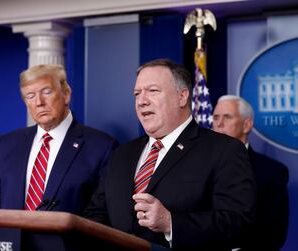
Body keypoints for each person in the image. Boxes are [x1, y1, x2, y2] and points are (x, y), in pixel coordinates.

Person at [85, 59, 256, 251]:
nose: (142, 101)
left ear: (182, 97)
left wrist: (170, 223)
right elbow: (95, 215)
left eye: (153, 91)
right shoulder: (121, 154)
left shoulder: (224, 150)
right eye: (137, 93)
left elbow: (238, 223)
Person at [0, 64, 117, 215]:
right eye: (30, 96)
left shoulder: (101, 147)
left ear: (66, 94)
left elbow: (99, 215)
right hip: (12, 238)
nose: (39, 102)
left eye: (46, 92)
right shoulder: (7, 145)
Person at [213, 94, 289, 251]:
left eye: (227, 117)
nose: (219, 124)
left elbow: (273, 235)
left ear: (246, 125)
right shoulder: (197, 166)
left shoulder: (272, 173)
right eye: (215, 117)